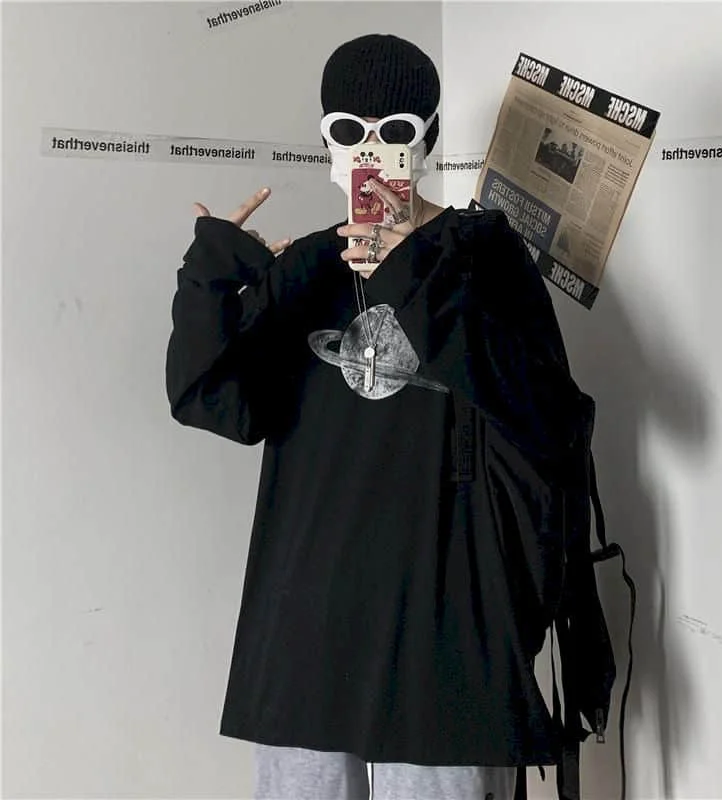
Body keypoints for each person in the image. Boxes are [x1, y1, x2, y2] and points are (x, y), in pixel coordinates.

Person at [166, 34, 587, 800]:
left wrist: (414, 273)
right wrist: (208, 281)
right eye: (348, 130)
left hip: (447, 634)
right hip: (309, 634)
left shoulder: (482, 257)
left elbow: (548, 419)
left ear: (427, 137)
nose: (370, 149)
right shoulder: (308, 266)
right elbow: (212, 401)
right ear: (325, 141)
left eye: (393, 130)